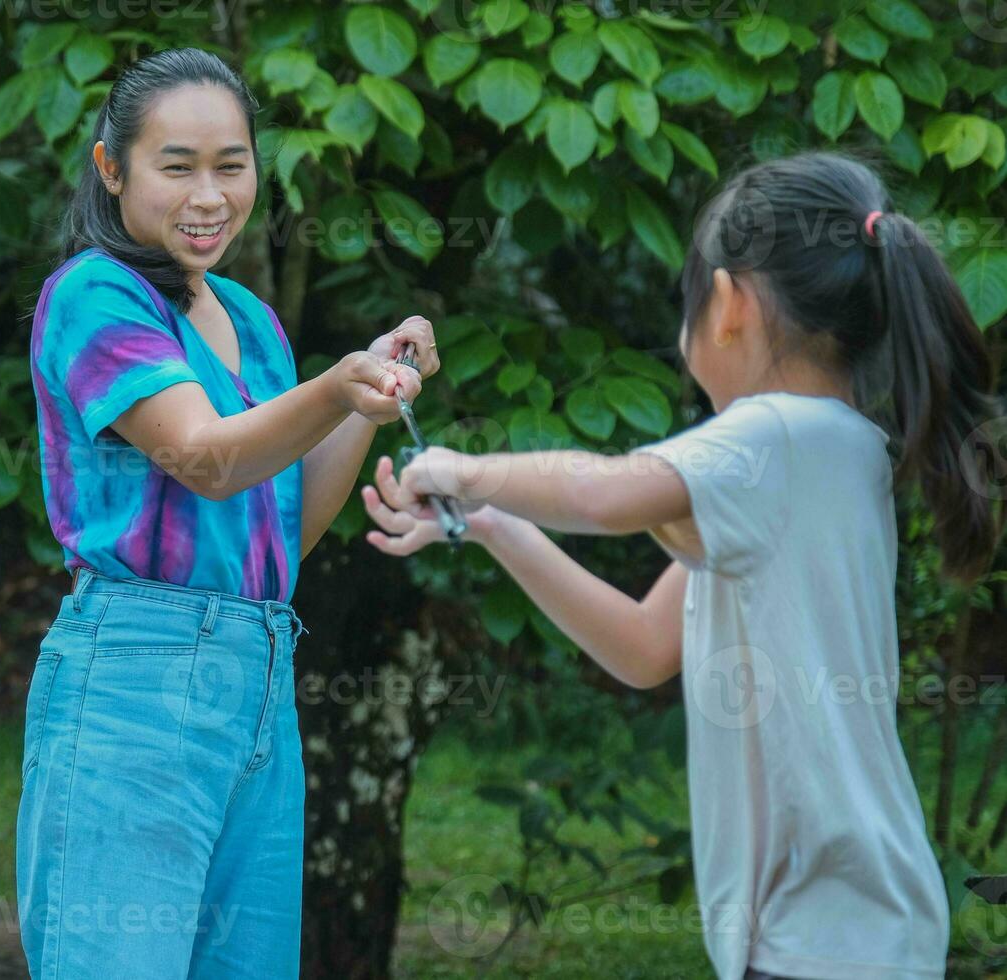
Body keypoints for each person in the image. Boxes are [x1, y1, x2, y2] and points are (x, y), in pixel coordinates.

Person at [363, 152, 1002, 979]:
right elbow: (641, 646)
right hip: (845, 932)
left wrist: (465, 469)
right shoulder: (823, 453)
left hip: (829, 937)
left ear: (730, 304)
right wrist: (488, 523)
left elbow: (607, 494)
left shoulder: (778, 436)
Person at [19, 47, 439, 978]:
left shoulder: (250, 320)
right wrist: (334, 388)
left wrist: (364, 399)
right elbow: (204, 458)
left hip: (260, 673)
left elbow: (285, 530)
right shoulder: (96, 294)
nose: (209, 195)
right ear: (112, 168)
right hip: (136, 673)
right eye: (177, 166)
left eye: (232, 165)